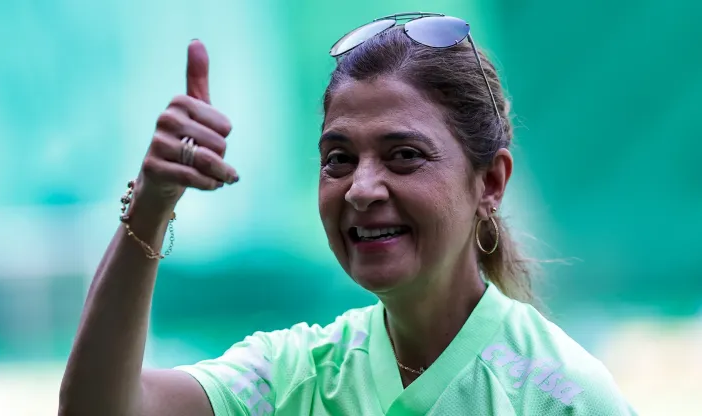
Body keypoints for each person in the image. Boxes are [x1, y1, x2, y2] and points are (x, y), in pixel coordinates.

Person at [58, 12, 636, 416]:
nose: (361, 188)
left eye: (403, 156)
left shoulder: (563, 397)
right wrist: (156, 200)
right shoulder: (298, 374)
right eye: (338, 158)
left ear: (490, 182)